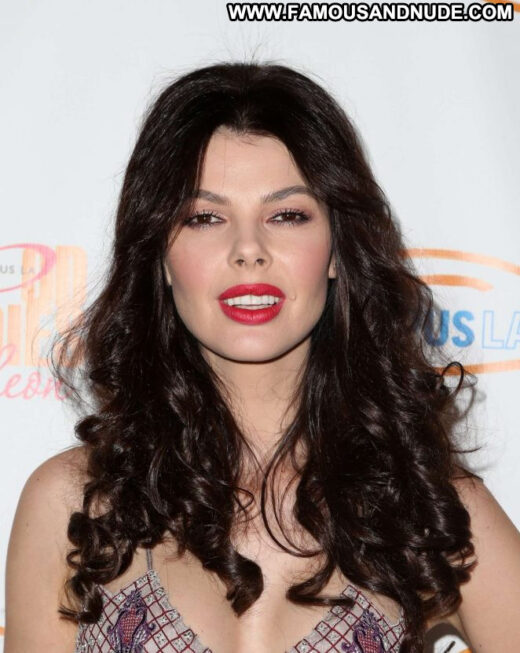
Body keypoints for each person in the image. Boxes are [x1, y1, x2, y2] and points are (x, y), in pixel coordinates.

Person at [5, 61, 520, 653]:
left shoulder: (425, 503)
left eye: (286, 215)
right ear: (160, 257)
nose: (248, 249)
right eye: (205, 217)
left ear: (337, 249)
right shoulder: (72, 503)